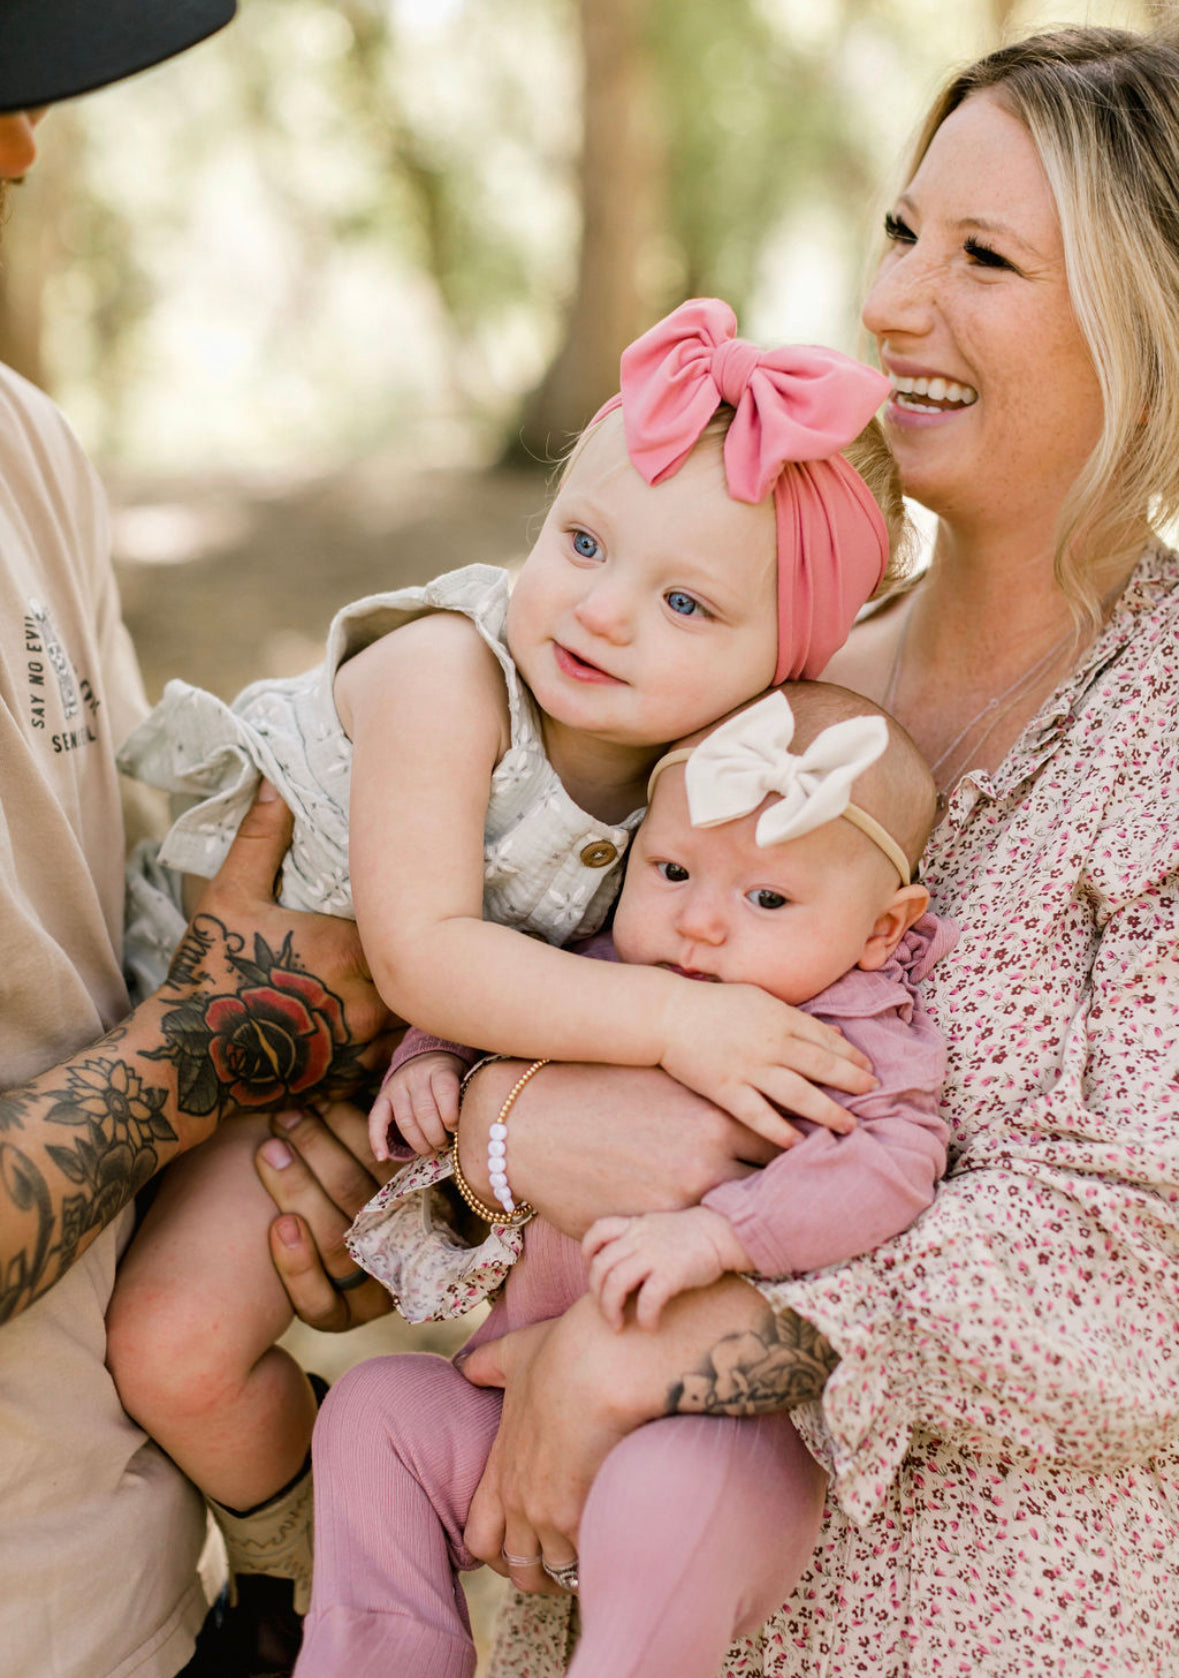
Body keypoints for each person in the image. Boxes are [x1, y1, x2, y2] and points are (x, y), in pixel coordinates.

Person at [359, 23, 1178, 1677]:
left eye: (982, 258)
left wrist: (641, 1352)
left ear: (1142, 323)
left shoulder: (1152, 731)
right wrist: (493, 1131)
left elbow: (1135, 1275)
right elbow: (479, 1007)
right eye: (895, 232)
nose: (889, 305)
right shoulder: (732, 672)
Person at [105, 298, 908, 1607]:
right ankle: (294, 1566)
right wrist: (675, 1023)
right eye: (580, 540)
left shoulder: (706, 780)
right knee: (165, 1347)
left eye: (685, 600)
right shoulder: (446, 674)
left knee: (175, 1345)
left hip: (345, 1090)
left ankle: (315, 1575)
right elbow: (421, 955)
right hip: (188, 1032)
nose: (599, 611)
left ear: (784, 666)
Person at [0, 10, 397, 1678]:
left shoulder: (24, 446)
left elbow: (93, 959)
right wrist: (216, 1045)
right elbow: (183, 1034)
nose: (23, 148)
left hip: (113, 1569)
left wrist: (301, 1171)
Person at [296, 681, 956, 1678]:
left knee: (662, 1492)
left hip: (715, 1431)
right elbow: (491, 995)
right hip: (509, 1409)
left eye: (766, 897)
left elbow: (890, 1166)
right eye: (674, 867)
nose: (698, 923)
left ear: (878, 926)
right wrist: (432, 1062)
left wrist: (726, 1234)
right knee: (372, 1413)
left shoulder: (850, 1034)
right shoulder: (608, 968)